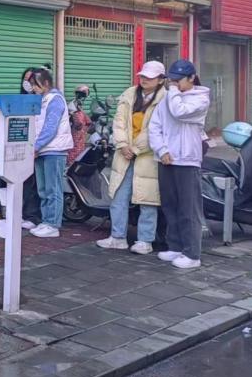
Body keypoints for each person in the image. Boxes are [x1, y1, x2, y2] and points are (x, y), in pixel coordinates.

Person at [97, 61, 166, 254]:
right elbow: (119, 122)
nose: (144, 80)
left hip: (148, 156)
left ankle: (145, 240)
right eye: (143, 76)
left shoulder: (165, 98)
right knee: (118, 195)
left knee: (148, 199)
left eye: (150, 77)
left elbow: (155, 130)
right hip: (124, 153)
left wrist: (135, 149)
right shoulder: (129, 94)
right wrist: (122, 145)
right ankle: (117, 237)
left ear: (161, 80)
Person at [148, 59, 210, 270]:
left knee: (188, 208)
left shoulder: (201, 99)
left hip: (188, 160)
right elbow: (154, 127)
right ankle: (175, 246)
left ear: (192, 78)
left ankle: (192, 253)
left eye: (178, 80)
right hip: (167, 159)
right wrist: (162, 150)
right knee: (170, 205)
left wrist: (172, 91)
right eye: (172, 80)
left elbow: (179, 111)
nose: (174, 84)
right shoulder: (168, 98)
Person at [28, 67, 73, 238]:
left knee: (53, 189)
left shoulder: (55, 100)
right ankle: (46, 221)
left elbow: (50, 128)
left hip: (54, 150)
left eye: (36, 85)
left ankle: (53, 224)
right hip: (42, 150)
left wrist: (35, 147)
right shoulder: (43, 99)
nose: (33, 88)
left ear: (46, 83)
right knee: (43, 189)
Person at [18, 67, 43, 230]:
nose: (27, 83)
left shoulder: (42, 100)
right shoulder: (21, 100)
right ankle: (25, 213)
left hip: (38, 146)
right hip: (23, 145)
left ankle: (34, 216)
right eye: (25, 79)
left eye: (30, 79)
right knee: (25, 182)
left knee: (35, 183)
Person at [67, 85, 91, 167]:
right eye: (82, 96)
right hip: (74, 136)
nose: (83, 99)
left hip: (80, 137)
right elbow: (78, 123)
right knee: (74, 156)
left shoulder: (78, 106)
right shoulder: (72, 106)